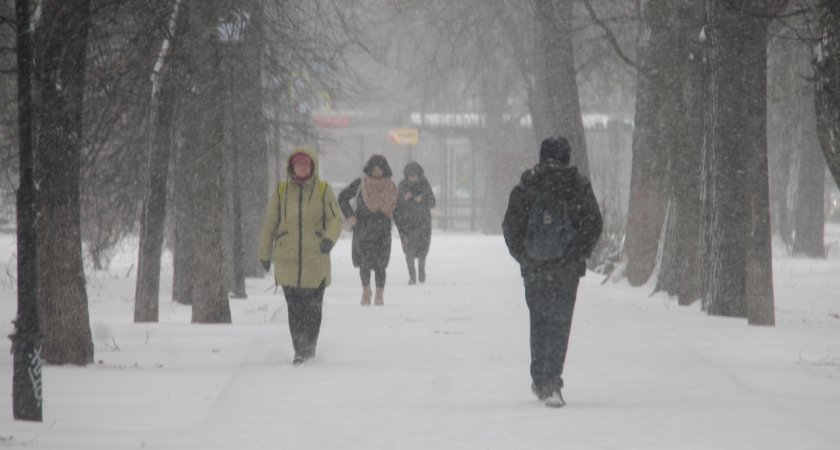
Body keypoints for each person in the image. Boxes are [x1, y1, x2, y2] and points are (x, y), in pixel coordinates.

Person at [502, 136, 603, 407]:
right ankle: (553, 381)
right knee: (560, 323)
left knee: (540, 320)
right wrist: (575, 253)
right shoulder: (577, 185)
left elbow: (511, 225)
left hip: (534, 267)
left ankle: (539, 379)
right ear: (567, 157)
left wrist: (524, 256)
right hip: (566, 270)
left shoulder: (527, 185)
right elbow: (593, 223)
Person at [258, 146, 343, 366]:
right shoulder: (281, 191)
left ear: (312, 167)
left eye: (306, 164)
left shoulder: (324, 190)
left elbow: (336, 219)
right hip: (288, 262)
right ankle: (299, 349)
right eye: (298, 164)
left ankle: (310, 348)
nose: (302, 168)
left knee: (313, 310)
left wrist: (328, 239)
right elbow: (270, 224)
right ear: (292, 167)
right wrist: (264, 253)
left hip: (316, 261)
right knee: (294, 309)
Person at [338, 155, 399, 306]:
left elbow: (398, 209)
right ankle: (366, 291)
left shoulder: (391, 187)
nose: (377, 172)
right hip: (362, 230)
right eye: (374, 169)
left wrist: (404, 230)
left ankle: (379, 294)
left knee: (380, 265)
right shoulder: (361, 184)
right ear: (369, 169)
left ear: (385, 170)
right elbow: (343, 197)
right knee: (363, 264)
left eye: (380, 169)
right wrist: (350, 216)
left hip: (382, 232)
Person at [394, 161, 436, 285]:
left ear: (419, 175)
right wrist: (403, 198)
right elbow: (396, 204)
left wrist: (422, 199)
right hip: (407, 224)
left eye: (415, 175)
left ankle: (422, 270)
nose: (412, 178)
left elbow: (432, 201)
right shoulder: (402, 186)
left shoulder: (424, 184)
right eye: (410, 176)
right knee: (409, 251)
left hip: (423, 222)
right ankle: (412, 276)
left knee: (423, 249)